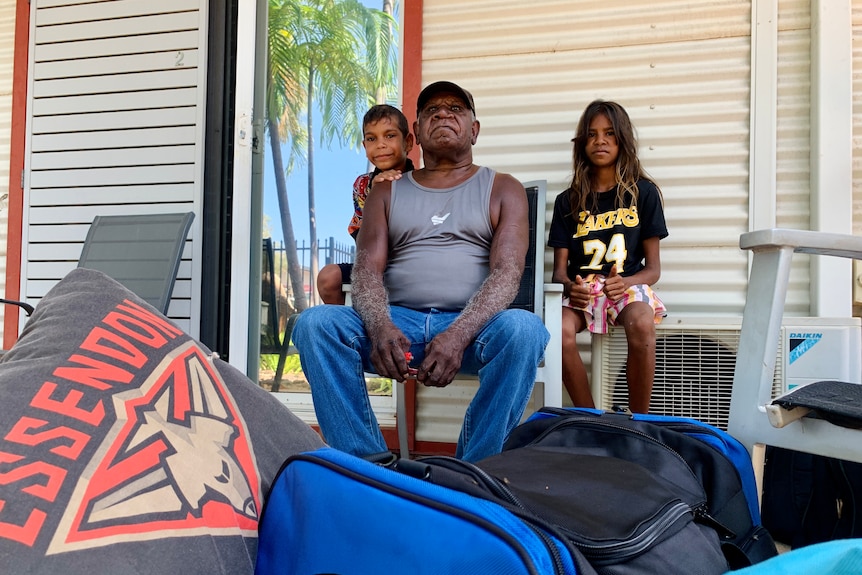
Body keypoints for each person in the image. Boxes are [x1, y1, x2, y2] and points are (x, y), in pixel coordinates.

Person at [294, 81, 550, 462]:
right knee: (316, 325)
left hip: (473, 328)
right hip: (397, 325)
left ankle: (473, 471)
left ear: (474, 130)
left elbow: (507, 274)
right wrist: (379, 326)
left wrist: (458, 334)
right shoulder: (386, 191)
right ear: (416, 135)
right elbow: (366, 270)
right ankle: (368, 467)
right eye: (432, 110)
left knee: (526, 330)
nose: (443, 114)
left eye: (455, 109)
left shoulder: (502, 188)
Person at [548, 99, 668, 413]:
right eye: (591, 134)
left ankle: (640, 420)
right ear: (582, 143)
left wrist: (626, 282)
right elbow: (558, 273)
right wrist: (569, 286)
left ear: (622, 140)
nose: (600, 140)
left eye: (609, 133)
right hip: (583, 291)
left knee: (642, 322)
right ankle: (590, 417)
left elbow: (653, 269)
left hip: (625, 285)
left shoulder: (644, 193)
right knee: (556, 330)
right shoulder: (567, 201)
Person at [317, 104, 415, 305]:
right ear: (364, 146)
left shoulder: (421, 181)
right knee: (328, 278)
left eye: (389, 136)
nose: (380, 144)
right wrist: (376, 196)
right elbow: (364, 242)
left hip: (413, 267)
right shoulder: (363, 185)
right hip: (373, 266)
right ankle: (349, 331)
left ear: (408, 142)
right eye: (372, 139)